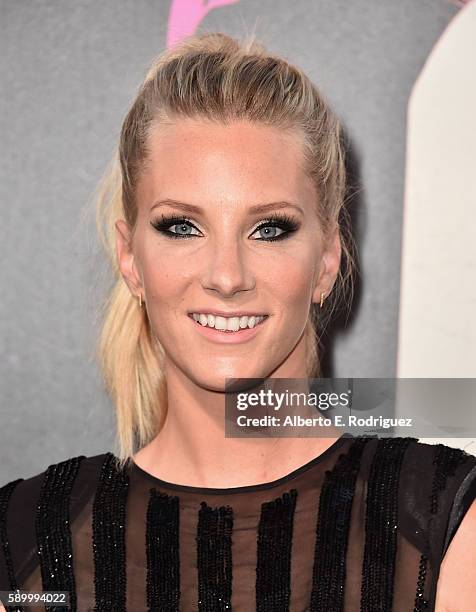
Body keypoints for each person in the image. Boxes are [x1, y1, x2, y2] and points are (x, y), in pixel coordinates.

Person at [1, 32, 475, 612]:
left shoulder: (447, 527)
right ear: (131, 259)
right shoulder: (27, 543)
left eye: (270, 228)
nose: (227, 276)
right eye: (181, 226)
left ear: (327, 261)